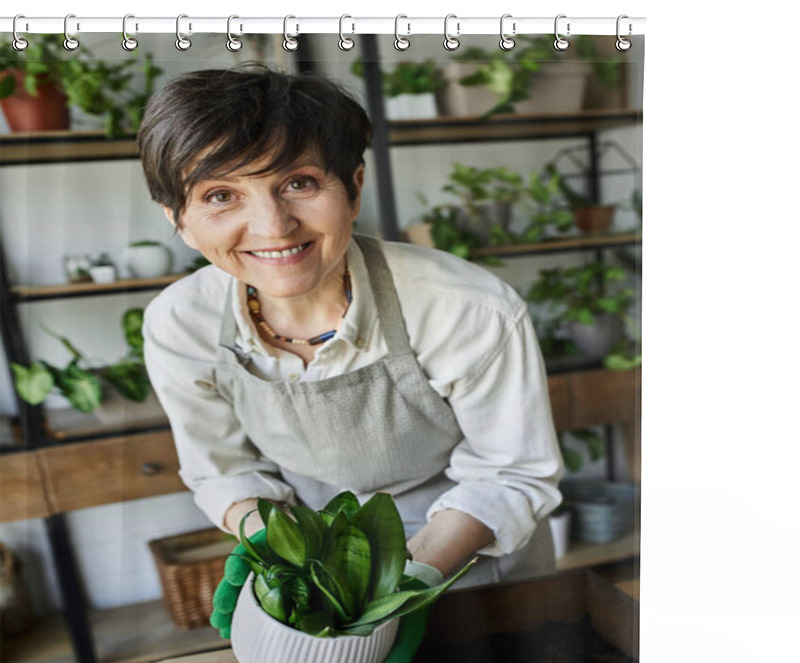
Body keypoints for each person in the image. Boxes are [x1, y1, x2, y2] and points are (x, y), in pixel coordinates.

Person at [138, 65, 563, 602]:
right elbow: (226, 472)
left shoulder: (466, 309)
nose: (273, 226)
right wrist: (291, 569)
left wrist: (396, 588)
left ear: (354, 187)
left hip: (476, 569)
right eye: (221, 196)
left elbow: (511, 474)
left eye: (299, 183)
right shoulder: (181, 324)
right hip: (314, 568)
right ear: (178, 218)